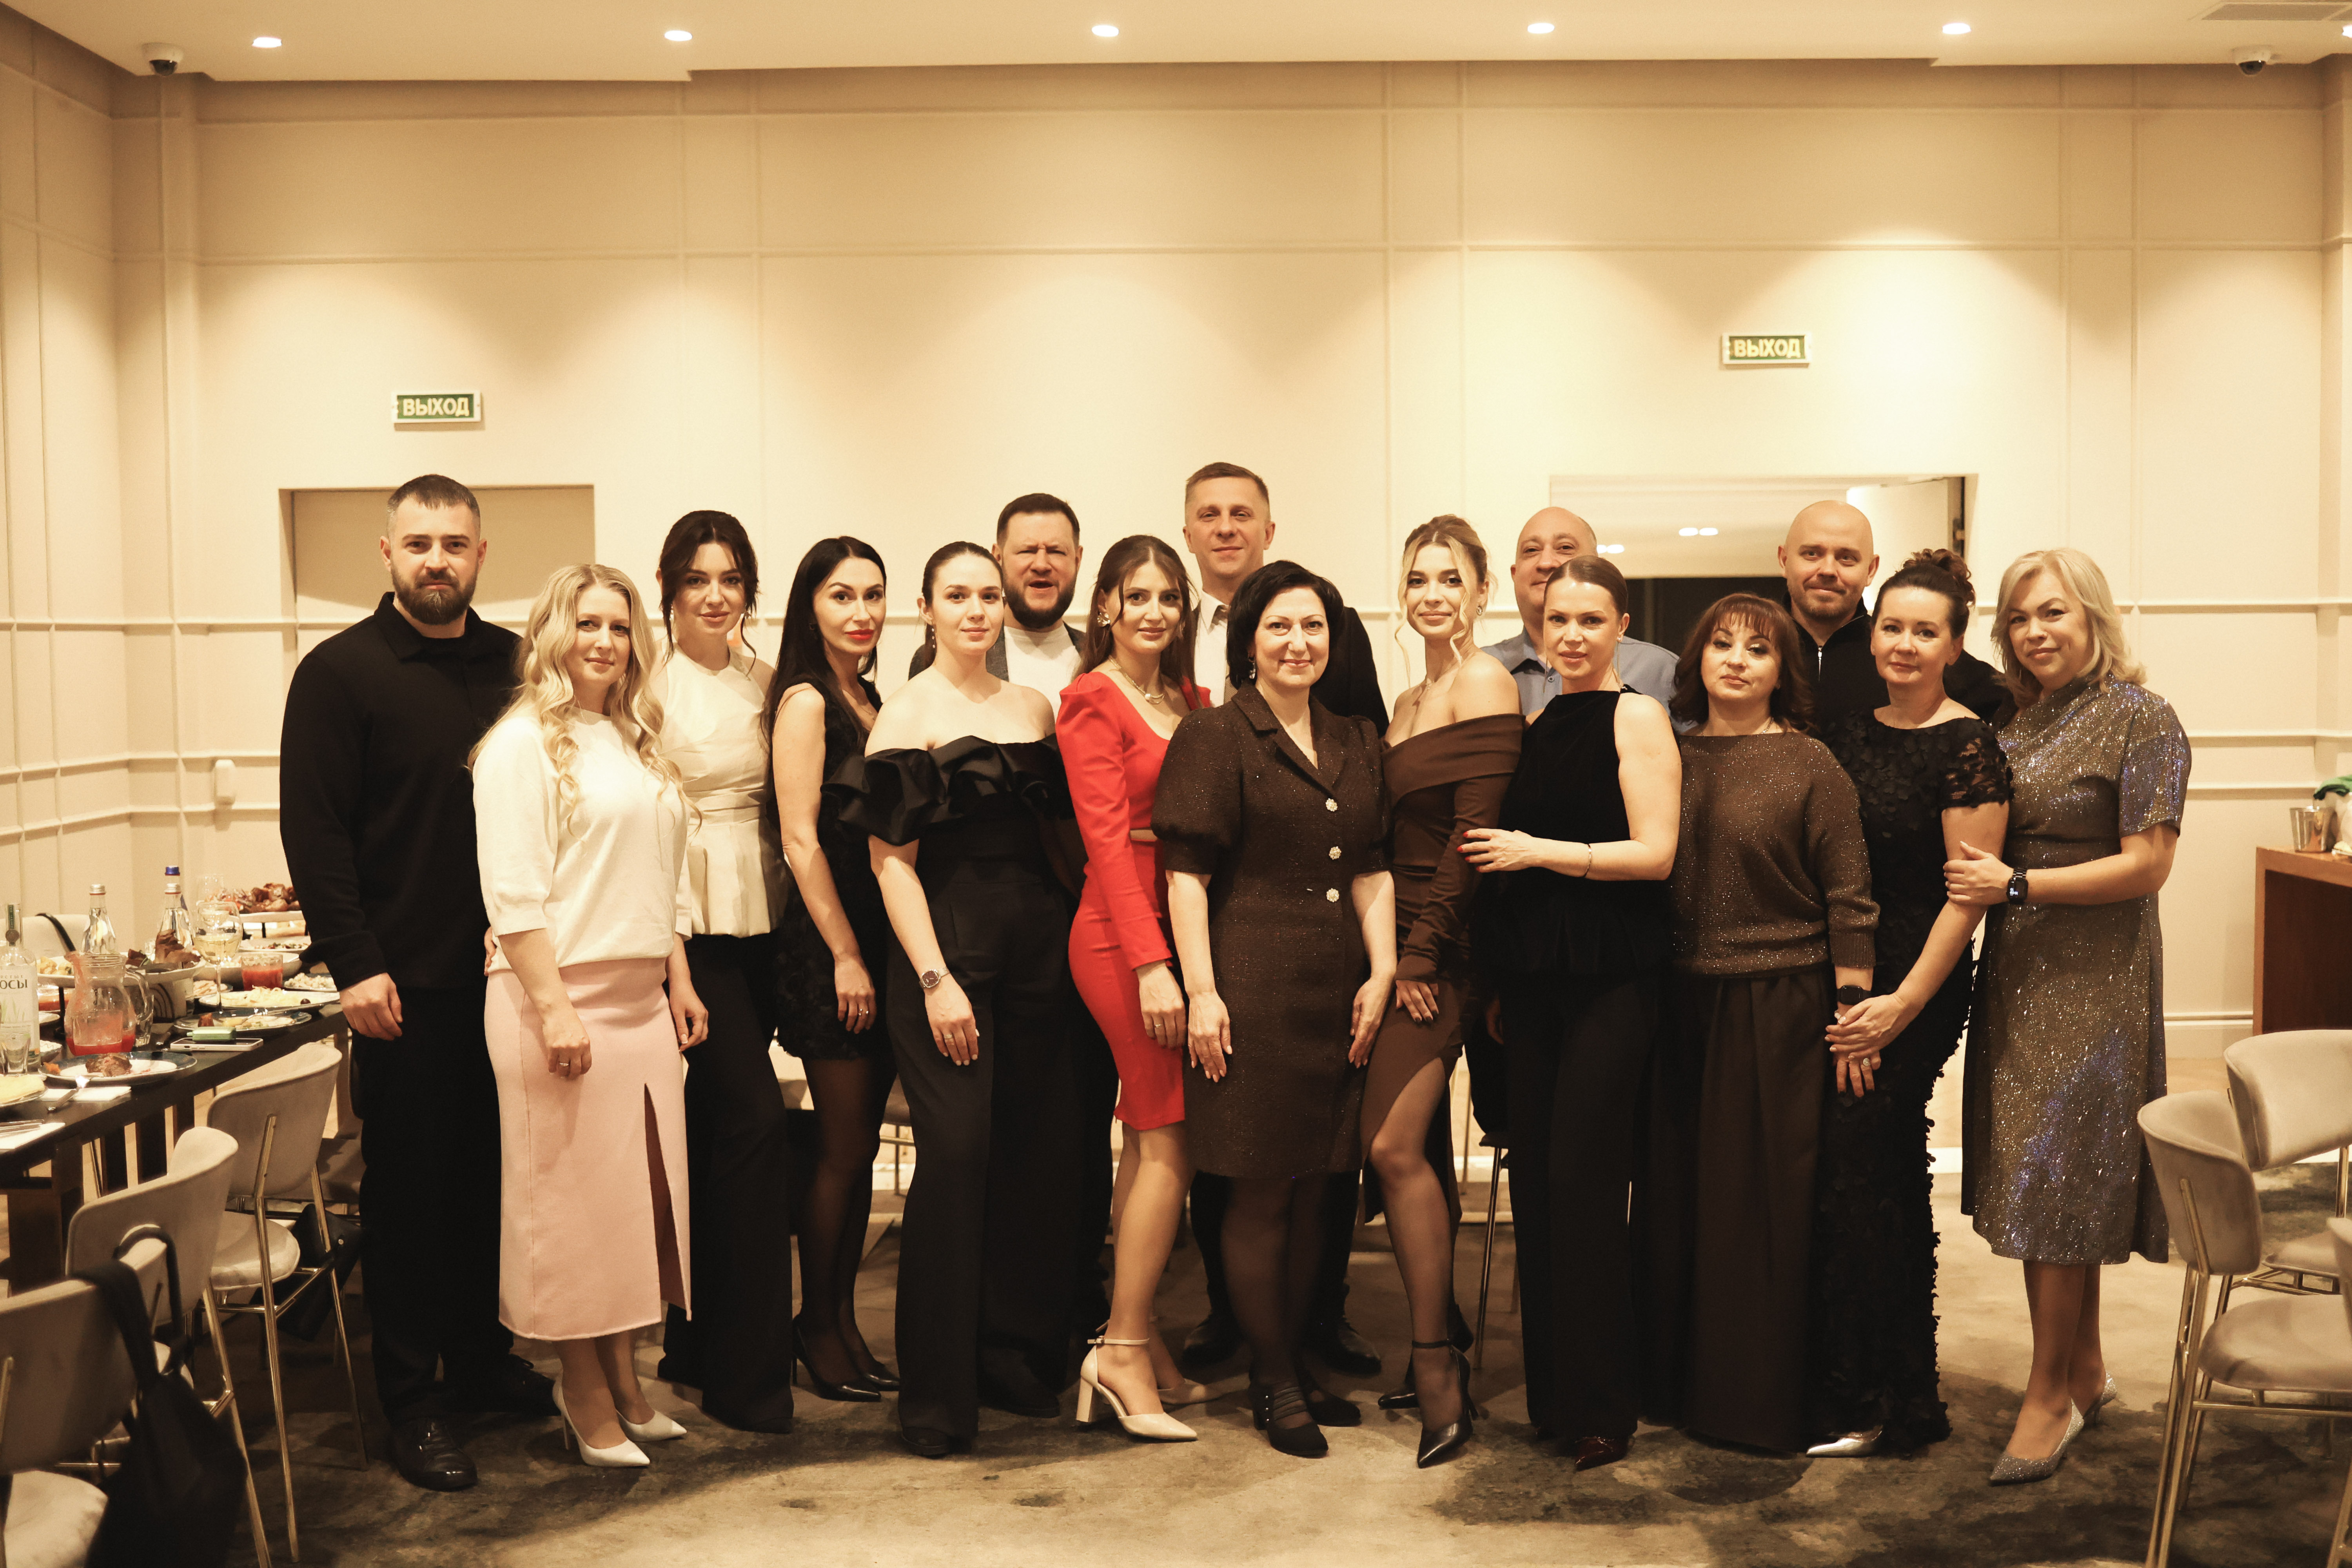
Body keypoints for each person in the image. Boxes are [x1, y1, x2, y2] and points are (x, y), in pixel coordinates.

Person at [278, 473, 551, 1492]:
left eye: (455, 543)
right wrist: (355, 963)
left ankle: (480, 1359)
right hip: (403, 987)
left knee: (495, 1182)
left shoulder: (518, 666)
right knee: (409, 1200)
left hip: (509, 977)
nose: (438, 559)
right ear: (387, 552)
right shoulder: (339, 673)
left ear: (481, 555)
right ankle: (413, 1397)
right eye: (420, 542)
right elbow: (315, 833)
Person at [833, 543, 1084, 1458]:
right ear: (927, 609)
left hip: (1041, 956)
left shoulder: (1033, 707)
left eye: (988, 594)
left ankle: (1008, 1356)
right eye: (957, 595)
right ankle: (937, 1393)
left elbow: (1059, 843)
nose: (976, 609)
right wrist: (936, 978)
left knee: (1032, 1155)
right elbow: (890, 865)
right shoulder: (908, 711)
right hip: (947, 959)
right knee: (958, 1156)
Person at [1948, 546, 2187, 1485]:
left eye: (2053, 611)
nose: (2034, 631)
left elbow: (2148, 863)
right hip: (2020, 970)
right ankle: (2082, 1367)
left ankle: (2048, 1393)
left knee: (2056, 1175)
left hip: (2096, 977)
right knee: (2044, 1176)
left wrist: (2019, 884)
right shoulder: (2014, 722)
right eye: (2018, 617)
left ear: (2093, 615)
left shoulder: (2141, 716)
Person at [1156, 560, 1394, 1458]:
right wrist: (1203, 991)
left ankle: (1291, 1356)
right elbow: (1186, 876)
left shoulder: (1357, 735)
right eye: (1280, 627)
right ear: (1248, 642)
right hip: (1249, 989)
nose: (1300, 642)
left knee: (1319, 1193)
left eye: (1314, 626)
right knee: (1257, 1193)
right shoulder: (1215, 734)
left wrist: (1384, 968)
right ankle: (1273, 1376)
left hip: (1338, 995)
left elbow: (1370, 866)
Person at [472, 563, 703, 1468]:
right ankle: (583, 1391)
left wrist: (678, 977)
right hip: (557, 1003)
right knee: (571, 1209)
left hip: (639, 1002)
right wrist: (555, 1009)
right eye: (586, 622)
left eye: (618, 624)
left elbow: (660, 876)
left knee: (631, 1206)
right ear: (552, 632)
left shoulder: (633, 737)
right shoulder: (520, 745)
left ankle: (626, 1379)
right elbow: (513, 895)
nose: (604, 641)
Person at [1637, 593, 1876, 1455]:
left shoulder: (1811, 762)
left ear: (1783, 670)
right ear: (1696, 659)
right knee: (1677, 1203)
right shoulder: (1667, 753)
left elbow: (1851, 897)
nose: (1737, 660)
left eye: (1758, 649)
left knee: (1758, 1207)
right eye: (1722, 644)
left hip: (1778, 1002)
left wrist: (1851, 1012)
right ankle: (1672, 1388)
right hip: (1676, 1002)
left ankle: (1752, 1404)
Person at [1462, 554, 1679, 1474]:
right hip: (1537, 982)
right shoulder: (1541, 720)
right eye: (1559, 619)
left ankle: (1604, 1406)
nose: (1574, 634)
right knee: (1542, 1189)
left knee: (1587, 1187)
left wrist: (1539, 850)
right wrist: (1503, 987)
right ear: (1539, 627)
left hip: (1611, 978)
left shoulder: (1639, 715)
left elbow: (1657, 853)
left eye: (1592, 619)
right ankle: (1554, 1397)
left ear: (1621, 625)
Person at [1806, 550, 2012, 1458]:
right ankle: (1890, 1393)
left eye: (1925, 631)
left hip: (1918, 980)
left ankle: (1876, 1399)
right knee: (1863, 1173)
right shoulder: (1846, 733)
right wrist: (1850, 990)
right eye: (1892, 625)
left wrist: (1898, 1005)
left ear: (1954, 646)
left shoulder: (1968, 745)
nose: (1904, 642)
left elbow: (1966, 901)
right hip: (1846, 975)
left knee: (1869, 1166)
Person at [1359, 517, 1521, 1468]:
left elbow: (1474, 835)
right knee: (1406, 1147)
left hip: (1447, 950)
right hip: (1396, 946)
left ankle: (1435, 1364)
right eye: (1418, 577)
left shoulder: (1484, 681)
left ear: (1481, 589)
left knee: (1393, 1146)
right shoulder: (1409, 696)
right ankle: (1440, 1333)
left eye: (1449, 578)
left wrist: (1420, 958)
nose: (1431, 593)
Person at [645, 511, 795, 1434]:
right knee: (753, 1125)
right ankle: (749, 1375)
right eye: (697, 578)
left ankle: (694, 1345)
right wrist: (676, 971)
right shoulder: (647, 688)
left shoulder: (767, 681)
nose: (715, 595)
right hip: (688, 930)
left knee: (711, 1137)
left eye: (731, 578)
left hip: (767, 914)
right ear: (668, 587)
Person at [1060, 535, 1211, 1441]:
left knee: (1146, 1139)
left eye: (1168, 596)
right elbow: (1106, 840)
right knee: (1169, 1138)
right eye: (1137, 595)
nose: (1153, 610)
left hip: (1178, 922)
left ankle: (1139, 1336)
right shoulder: (1092, 697)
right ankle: (1119, 1349)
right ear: (1107, 604)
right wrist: (1152, 963)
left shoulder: (1187, 698)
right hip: (1121, 933)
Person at [764, 537, 900, 1401]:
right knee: (844, 1149)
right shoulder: (808, 701)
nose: (861, 612)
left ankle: (843, 1323)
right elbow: (800, 839)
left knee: (860, 1149)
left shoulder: (872, 696)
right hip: (829, 948)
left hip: (878, 942)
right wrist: (847, 954)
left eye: (873, 595)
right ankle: (814, 1323)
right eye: (842, 595)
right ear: (810, 606)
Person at [1779, 501, 2005, 725]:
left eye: (1847, 558)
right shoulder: (1761, 647)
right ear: (1784, 560)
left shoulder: (1904, 650)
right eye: (1812, 554)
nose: (1828, 570)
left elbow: (2008, 699)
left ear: (1871, 570)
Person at [1483, 506, 1677, 709]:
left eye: (1565, 548)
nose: (1546, 563)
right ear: (1514, 574)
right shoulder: (1482, 669)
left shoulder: (1660, 669)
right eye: (1532, 550)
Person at [907, 493, 1085, 704]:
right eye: (1026, 551)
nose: (1041, 565)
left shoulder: (1103, 656)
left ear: (1077, 559)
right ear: (998, 558)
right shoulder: (940, 659)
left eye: (1056, 551)